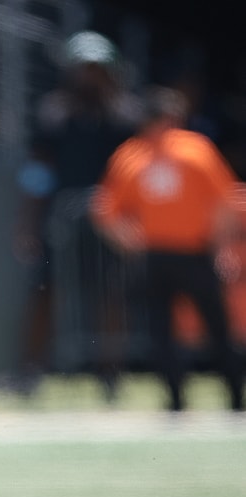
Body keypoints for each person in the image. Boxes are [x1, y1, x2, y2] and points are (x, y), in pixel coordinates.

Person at [90, 85, 245, 411]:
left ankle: (176, 400)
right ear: (173, 117)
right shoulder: (195, 149)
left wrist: (130, 242)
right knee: (216, 328)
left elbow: (104, 211)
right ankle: (234, 397)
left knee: (163, 331)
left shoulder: (129, 154)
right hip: (192, 252)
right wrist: (218, 243)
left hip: (155, 254)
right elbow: (226, 202)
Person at [5, 30, 143, 396]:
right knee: (44, 291)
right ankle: (30, 372)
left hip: (108, 220)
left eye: (96, 69)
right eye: (83, 68)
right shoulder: (55, 112)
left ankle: (111, 375)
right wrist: (28, 223)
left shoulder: (126, 116)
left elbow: (135, 170)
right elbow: (38, 170)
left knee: (109, 295)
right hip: (59, 219)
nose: (89, 76)